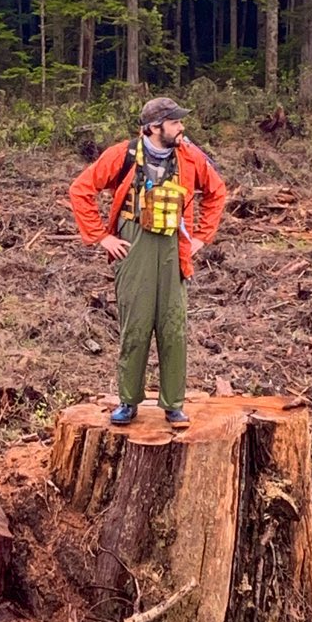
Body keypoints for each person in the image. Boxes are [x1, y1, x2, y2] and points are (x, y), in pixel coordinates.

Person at [69, 97, 226, 428]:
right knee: (136, 327)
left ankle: (174, 404)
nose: (182, 127)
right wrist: (101, 236)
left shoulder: (190, 156)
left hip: (173, 245)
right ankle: (128, 401)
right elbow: (81, 189)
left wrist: (201, 238)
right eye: (175, 122)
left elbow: (217, 191)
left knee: (173, 326)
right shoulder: (122, 155)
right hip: (133, 243)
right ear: (155, 127)